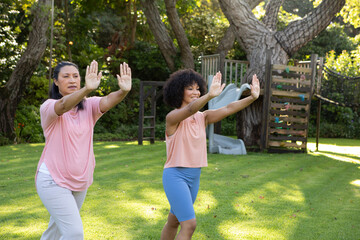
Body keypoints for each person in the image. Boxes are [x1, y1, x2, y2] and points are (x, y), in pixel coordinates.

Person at [35, 60, 132, 240]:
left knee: (55, 232)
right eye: (66, 76)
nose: (72, 80)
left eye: (75, 76)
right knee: (74, 233)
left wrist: (123, 91)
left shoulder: (89, 106)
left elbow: (107, 100)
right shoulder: (48, 107)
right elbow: (63, 105)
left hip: (80, 181)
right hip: (52, 180)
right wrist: (86, 89)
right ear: (56, 81)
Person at [160, 69, 260, 240]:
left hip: (194, 176)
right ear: (179, 91)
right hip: (176, 176)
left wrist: (251, 98)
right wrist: (208, 97)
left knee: (174, 221)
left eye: (198, 88)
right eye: (190, 88)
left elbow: (229, 108)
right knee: (189, 225)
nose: (196, 92)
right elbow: (190, 109)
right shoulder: (173, 118)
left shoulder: (203, 117)